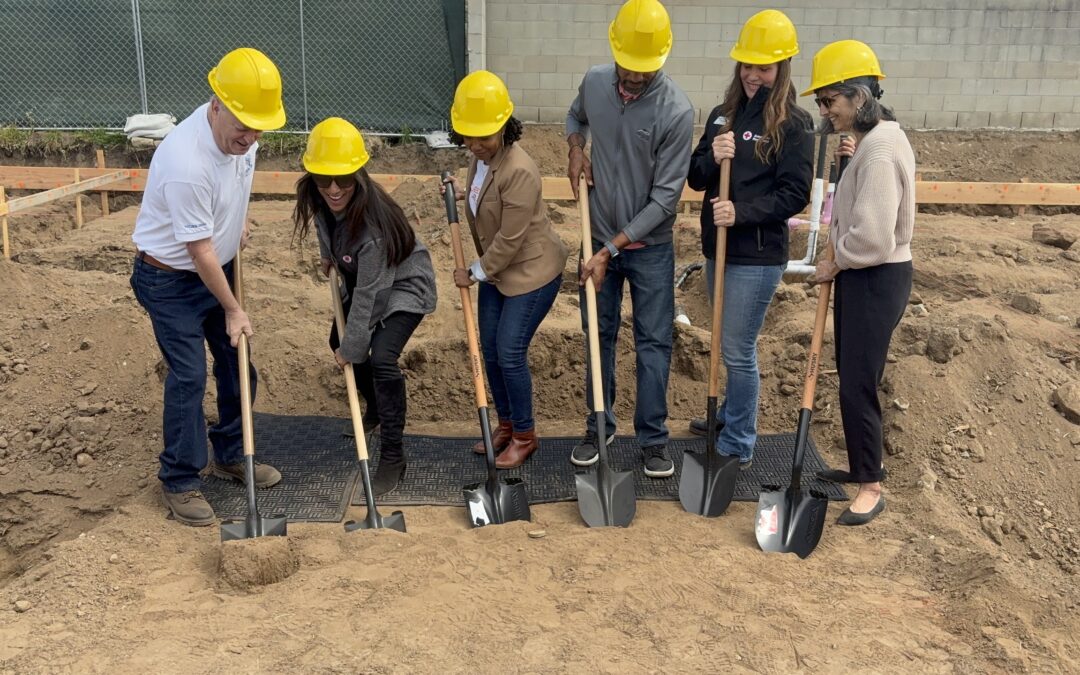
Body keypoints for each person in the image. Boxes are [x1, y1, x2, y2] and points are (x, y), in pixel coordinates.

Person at [130, 47, 286, 526]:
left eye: (259, 126)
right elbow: (197, 253)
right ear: (216, 104)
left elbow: (236, 185)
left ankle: (233, 454)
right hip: (169, 279)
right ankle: (179, 480)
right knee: (190, 375)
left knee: (239, 363)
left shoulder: (246, 137)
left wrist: (235, 223)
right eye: (243, 124)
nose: (251, 136)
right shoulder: (185, 162)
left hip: (217, 263)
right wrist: (234, 308)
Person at [566, 0, 694, 478]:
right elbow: (574, 117)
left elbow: (665, 202)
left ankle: (654, 440)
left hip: (648, 249)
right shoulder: (596, 81)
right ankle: (598, 424)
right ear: (614, 50)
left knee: (653, 343)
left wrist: (608, 250)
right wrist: (576, 148)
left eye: (646, 70)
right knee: (596, 336)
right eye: (629, 68)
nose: (635, 78)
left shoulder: (676, 111)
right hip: (595, 233)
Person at [685, 10, 814, 469]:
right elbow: (697, 179)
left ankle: (739, 440)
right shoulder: (723, 115)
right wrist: (711, 154)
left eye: (764, 67)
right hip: (717, 249)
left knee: (739, 349)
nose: (754, 75)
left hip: (756, 257)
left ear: (781, 70)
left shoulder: (794, 125)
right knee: (724, 340)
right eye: (747, 66)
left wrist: (741, 213)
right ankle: (728, 414)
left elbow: (794, 194)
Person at [293, 117, 436, 496]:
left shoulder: (372, 229)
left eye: (344, 179)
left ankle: (393, 455)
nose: (334, 189)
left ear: (359, 174)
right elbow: (327, 225)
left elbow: (372, 296)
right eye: (325, 180)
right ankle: (373, 408)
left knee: (380, 357)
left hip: (404, 286)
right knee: (337, 340)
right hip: (370, 281)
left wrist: (352, 349)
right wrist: (330, 257)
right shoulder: (319, 195)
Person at [807, 40, 915, 525]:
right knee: (853, 375)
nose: (826, 111)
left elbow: (873, 238)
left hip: (874, 274)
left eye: (830, 100)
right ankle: (862, 465)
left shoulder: (878, 151)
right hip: (865, 275)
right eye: (821, 103)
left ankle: (871, 486)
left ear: (859, 97)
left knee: (858, 381)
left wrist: (835, 262)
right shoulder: (874, 142)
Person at [443, 71, 569, 469]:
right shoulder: (480, 158)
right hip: (498, 271)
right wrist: (466, 194)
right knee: (491, 352)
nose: (476, 145)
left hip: (531, 271)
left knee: (510, 352)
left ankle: (526, 435)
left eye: (485, 136)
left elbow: (511, 240)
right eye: (469, 136)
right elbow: (488, 195)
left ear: (504, 126)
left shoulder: (520, 169)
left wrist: (474, 273)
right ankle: (506, 423)